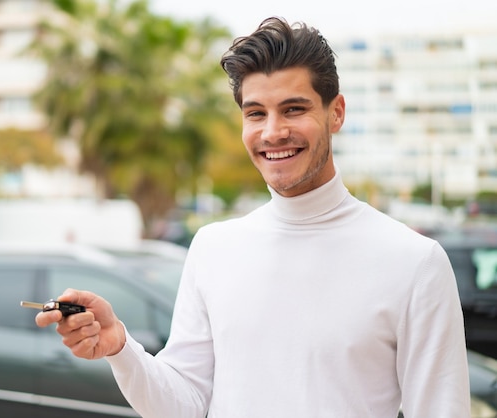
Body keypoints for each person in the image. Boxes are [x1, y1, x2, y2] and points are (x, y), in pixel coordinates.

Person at [36, 16, 471, 417]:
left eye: (294, 109)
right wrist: (121, 347)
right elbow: (184, 403)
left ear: (335, 112)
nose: (272, 132)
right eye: (256, 113)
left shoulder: (415, 262)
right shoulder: (213, 247)